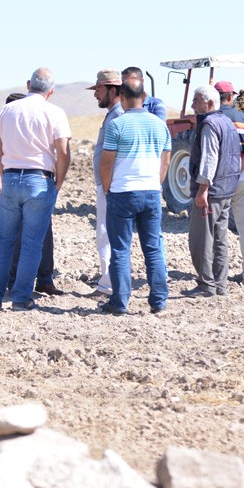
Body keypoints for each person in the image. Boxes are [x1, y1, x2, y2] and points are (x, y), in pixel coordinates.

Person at [0, 68, 72, 311]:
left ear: (27, 85)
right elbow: (63, 152)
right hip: (39, 180)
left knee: (5, 241)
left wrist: (6, 172)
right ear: (51, 91)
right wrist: (58, 181)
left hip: (11, 178)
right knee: (33, 242)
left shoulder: (6, 110)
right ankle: (21, 298)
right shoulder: (55, 112)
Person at [98, 77, 172, 314]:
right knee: (153, 248)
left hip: (122, 193)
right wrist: (155, 184)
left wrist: (108, 189)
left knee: (120, 249)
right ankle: (159, 301)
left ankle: (119, 302)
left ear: (122, 96)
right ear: (144, 96)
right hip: (150, 192)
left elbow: (106, 164)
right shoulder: (160, 124)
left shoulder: (117, 124)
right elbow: (166, 160)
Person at [185, 84, 241, 297]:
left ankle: (206, 285)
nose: (192, 105)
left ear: (209, 104)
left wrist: (202, 190)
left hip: (212, 192)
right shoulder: (226, 122)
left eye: (196, 101)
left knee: (201, 239)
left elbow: (209, 159)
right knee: (220, 238)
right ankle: (220, 284)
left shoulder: (209, 124)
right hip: (226, 189)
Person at [214, 80, 244, 288]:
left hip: (219, 181)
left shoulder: (211, 119)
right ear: (231, 97)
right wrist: (238, 170)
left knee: (218, 227)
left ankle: (218, 274)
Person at [89, 69, 124, 298]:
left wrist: (106, 184)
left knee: (107, 234)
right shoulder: (112, 114)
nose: (95, 96)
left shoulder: (119, 116)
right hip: (108, 184)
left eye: (99, 90)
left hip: (111, 185)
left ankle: (108, 284)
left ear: (113, 90)